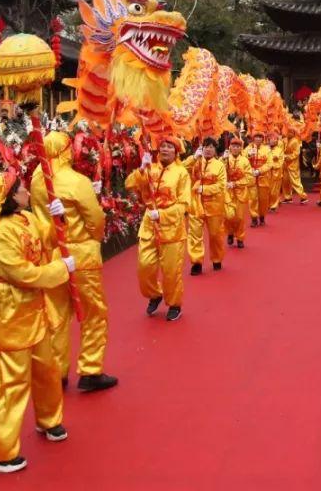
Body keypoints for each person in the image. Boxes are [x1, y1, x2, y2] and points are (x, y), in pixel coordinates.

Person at [0, 170, 73, 474]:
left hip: (34, 308)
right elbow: (22, 274)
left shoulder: (25, 218)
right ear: (8, 197)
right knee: (12, 381)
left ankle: (49, 419)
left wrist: (60, 218)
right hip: (10, 311)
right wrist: (61, 269)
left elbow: (48, 234)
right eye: (22, 191)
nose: (27, 194)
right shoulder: (0, 232)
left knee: (47, 367)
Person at [30, 132, 117, 393]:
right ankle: (91, 369)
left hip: (52, 256)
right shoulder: (76, 181)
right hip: (81, 255)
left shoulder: (37, 180)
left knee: (56, 315)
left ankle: (57, 372)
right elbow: (95, 218)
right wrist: (93, 238)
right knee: (94, 313)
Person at [125, 138, 191, 321]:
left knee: (171, 272)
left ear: (176, 151)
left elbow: (184, 205)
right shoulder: (149, 167)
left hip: (172, 230)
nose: (165, 149)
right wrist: (140, 169)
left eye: (170, 147)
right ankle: (155, 294)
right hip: (149, 227)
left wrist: (162, 215)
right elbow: (130, 185)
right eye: (163, 146)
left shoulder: (181, 173)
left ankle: (175, 304)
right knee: (144, 267)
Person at [186, 138, 228, 274]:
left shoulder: (219, 165)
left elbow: (221, 185)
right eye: (205, 146)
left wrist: (205, 189)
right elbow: (180, 168)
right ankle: (196, 262)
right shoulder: (195, 161)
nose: (207, 149)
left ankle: (217, 258)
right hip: (196, 204)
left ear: (215, 150)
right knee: (195, 234)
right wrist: (193, 157)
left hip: (214, 205)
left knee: (215, 234)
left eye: (210, 147)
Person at [223, 136, 253, 249]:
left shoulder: (245, 161)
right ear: (230, 147)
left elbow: (249, 178)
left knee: (239, 217)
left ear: (241, 148)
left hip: (240, 193)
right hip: (228, 193)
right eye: (233, 146)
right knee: (228, 216)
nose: (235, 148)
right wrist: (222, 160)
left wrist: (236, 184)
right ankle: (230, 233)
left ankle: (240, 237)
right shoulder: (225, 159)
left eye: (237, 146)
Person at [248, 131, 271, 226]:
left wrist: (260, 171)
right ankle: (254, 217)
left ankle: (262, 216)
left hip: (263, 178)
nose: (258, 139)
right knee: (252, 199)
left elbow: (269, 164)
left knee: (263, 199)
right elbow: (243, 162)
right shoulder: (248, 149)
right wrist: (249, 156)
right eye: (256, 137)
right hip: (251, 178)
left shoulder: (267, 150)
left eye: (260, 137)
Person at [281, 128, 309, 204]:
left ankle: (303, 197)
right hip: (285, 164)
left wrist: (288, 157)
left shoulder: (295, 141)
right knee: (285, 181)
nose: (289, 134)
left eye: (291, 132)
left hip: (293, 164)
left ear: (294, 133)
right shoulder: (284, 140)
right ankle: (288, 198)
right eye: (288, 132)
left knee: (295, 181)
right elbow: (280, 149)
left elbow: (296, 153)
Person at [267, 132, 285, 212]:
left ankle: (273, 206)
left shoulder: (279, 150)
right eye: (270, 139)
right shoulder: (266, 149)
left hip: (276, 174)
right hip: (266, 174)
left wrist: (271, 165)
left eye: (274, 140)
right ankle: (267, 205)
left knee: (274, 191)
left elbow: (280, 163)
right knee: (267, 191)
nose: (272, 141)